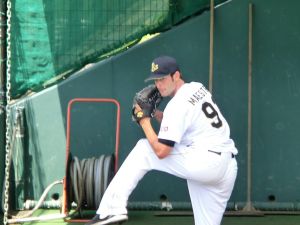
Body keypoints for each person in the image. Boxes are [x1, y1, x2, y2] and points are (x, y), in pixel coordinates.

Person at [86, 56, 238, 225]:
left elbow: (161, 151)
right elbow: (181, 122)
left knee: (144, 149)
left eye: (163, 79)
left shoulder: (176, 105)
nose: (159, 85)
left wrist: (144, 121)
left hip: (205, 162)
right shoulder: (196, 87)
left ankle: (111, 210)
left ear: (176, 75)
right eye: (156, 80)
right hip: (226, 167)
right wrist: (156, 114)